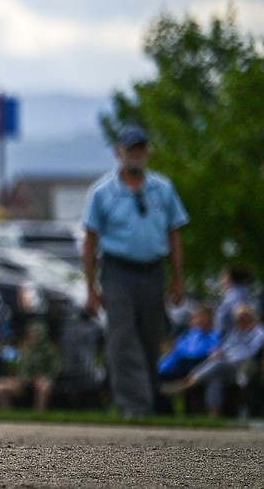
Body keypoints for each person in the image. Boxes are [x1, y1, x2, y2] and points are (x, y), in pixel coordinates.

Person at [81, 124, 188, 418]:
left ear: (147, 152)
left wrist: (178, 279)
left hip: (153, 270)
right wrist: (90, 287)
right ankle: (134, 407)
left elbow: (175, 233)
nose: (136, 154)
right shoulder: (102, 192)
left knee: (151, 337)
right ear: (118, 153)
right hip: (117, 272)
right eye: (130, 149)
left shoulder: (162, 189)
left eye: (140, 148)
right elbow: (89, 241)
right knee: (122, 337)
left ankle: (147, 397)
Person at [160, 303, 264, 417]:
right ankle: (213, 415)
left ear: (251, 317)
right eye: (238, 318)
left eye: (243, 317)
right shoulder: (235, 333)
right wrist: (219, 352)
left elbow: (251, 353)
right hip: (227, 366)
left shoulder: (259, 333)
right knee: (215, 379)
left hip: (242, 367)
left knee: (218, 364)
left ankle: (186, 385)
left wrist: (227, 355)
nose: (240, 321)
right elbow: (225, 347)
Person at [0, 321, 63, 413]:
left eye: (36, 334)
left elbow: (56, 370)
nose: (32, 337)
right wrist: (15, 378)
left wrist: (43, 376)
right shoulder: (24, 350)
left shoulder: (50, 351)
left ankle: (39, 414)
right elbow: (17, 369)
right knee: (0, 387)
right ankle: (7, 415)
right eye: (30, 334)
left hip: (40, 382)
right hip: (23, 383)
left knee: (44, 387)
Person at [157, 305, 219, 383]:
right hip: (168, 368)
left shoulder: (213, 335)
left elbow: (194, 353)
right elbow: (177, 348)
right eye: (197, 317)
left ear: (210, 320)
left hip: (187, 368)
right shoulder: (187, 334)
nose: (199, 319)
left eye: (203, 316)